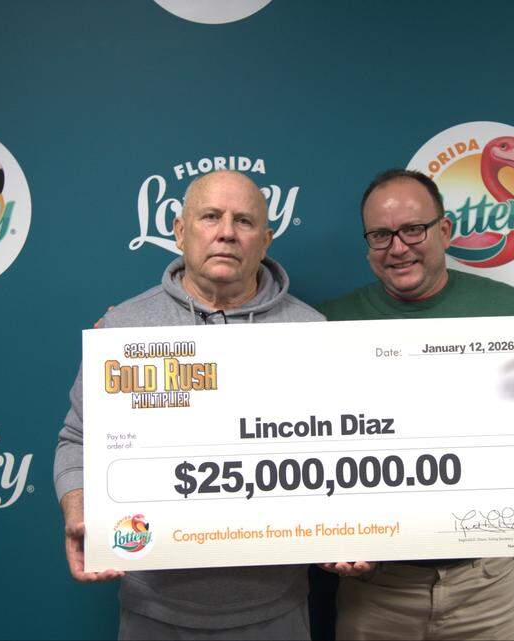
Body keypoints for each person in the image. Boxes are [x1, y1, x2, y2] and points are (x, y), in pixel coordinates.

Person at [311, 168, 514, 640]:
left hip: (484, 582)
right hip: (376, 587)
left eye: (413, 229)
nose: (397, 247)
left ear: (445, 230)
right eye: (381, 235)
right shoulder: (331, 323)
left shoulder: (507, 312)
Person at [53, 170, 324, 640]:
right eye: (210, 217)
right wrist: (77, 508)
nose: (226, 232)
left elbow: (345, 449)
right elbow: (77, 438)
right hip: (153, 610)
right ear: (180, 231)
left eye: (244, 221)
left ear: (265, 239)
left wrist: (360, 530)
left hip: (274, 610)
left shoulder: (313, 330)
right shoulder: (123, 328)